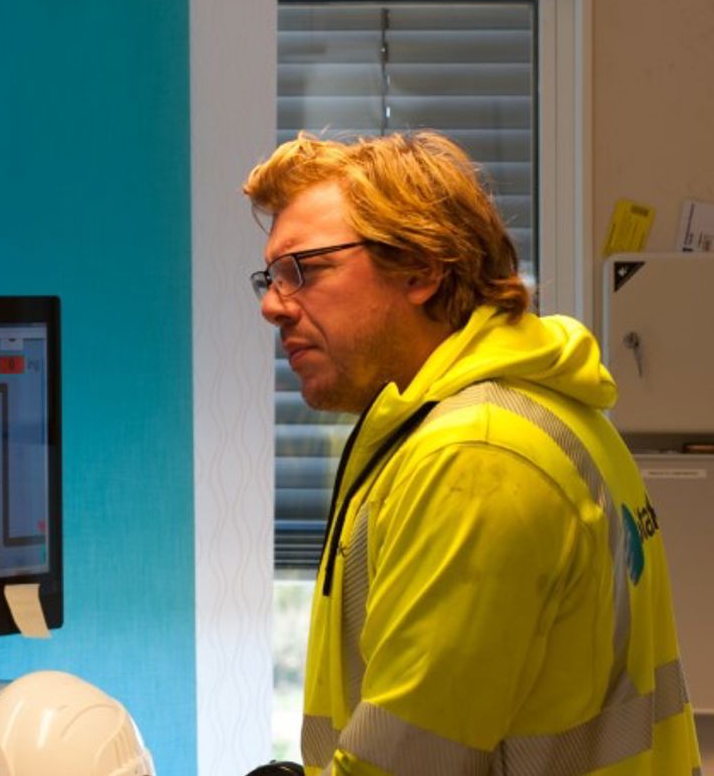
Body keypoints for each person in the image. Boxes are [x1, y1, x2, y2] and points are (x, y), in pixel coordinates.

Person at [242, 131, 702, 776]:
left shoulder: (476, 458)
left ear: (422, 269)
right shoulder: (532, 410)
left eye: (304, 270)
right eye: (269, 275)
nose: (272, 305)